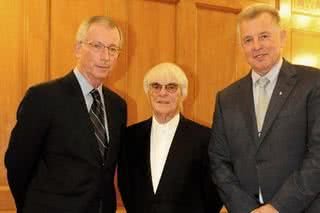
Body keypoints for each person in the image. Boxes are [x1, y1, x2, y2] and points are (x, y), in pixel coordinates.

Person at [5, 16, 127, 213]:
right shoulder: (43, 97)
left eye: (113, 49)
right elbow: (17, 164)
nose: (106, 56)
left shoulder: (118, 106)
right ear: (78, 49)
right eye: (97, 46)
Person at [209, 4, 320, 213]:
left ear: (283, 37)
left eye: (264, 36)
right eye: (248, 40)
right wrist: (247, 209)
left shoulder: (313, 83)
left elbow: (318, 156)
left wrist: (277, 207)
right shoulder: (227, 98)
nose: (256, 46)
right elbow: (219, 162)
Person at [118, 62, 222, 213]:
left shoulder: (205, 138)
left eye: (171, 87)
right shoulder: (130, 137)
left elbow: (214, 192)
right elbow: (126, 185)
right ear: (148, 92)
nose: (162, 93)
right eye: (156, 86)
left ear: (183, 93)